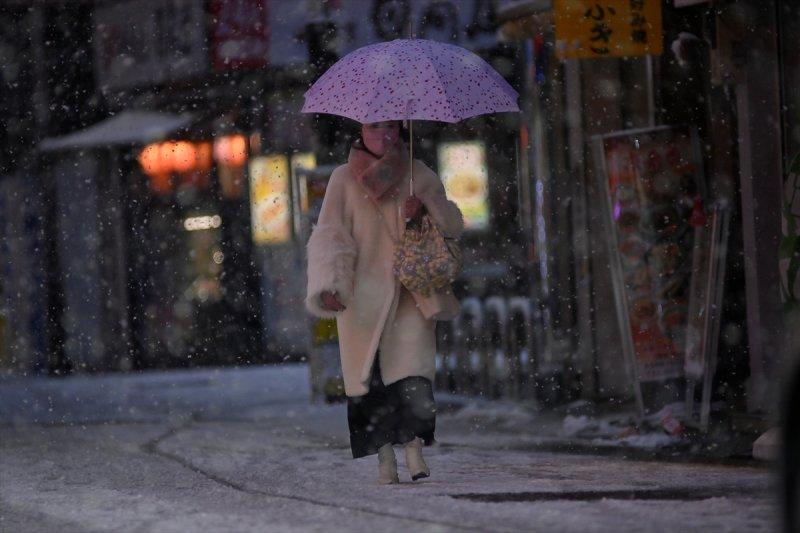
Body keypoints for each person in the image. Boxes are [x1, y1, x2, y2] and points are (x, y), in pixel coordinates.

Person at [305, 120, 464, 484]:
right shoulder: (343, 180)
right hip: (363, 296)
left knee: (412, 376)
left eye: (392, 127)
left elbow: (453, 226)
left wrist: (423, 213)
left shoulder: (419, 174)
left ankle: (413, 449)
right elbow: (331, 235)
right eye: (375, 127)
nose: (385, 135)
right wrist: (329, 285)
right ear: (361, 130)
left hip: (412, 292)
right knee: (370, 382)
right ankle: (384, 459)